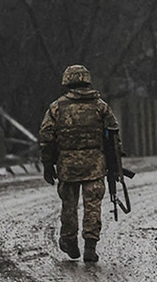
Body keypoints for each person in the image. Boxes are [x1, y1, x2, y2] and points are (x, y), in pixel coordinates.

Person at [39, 64, 120, 262]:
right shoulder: (101, 106)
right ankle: (90, 247)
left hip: (67, 165)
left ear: (67, 82)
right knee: (92, 205)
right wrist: (115, 165)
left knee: (69, 205)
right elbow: (113, 138)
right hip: (95, 165)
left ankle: (69, 240)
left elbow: (46, 137)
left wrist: (48, 164)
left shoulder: (56, 107)